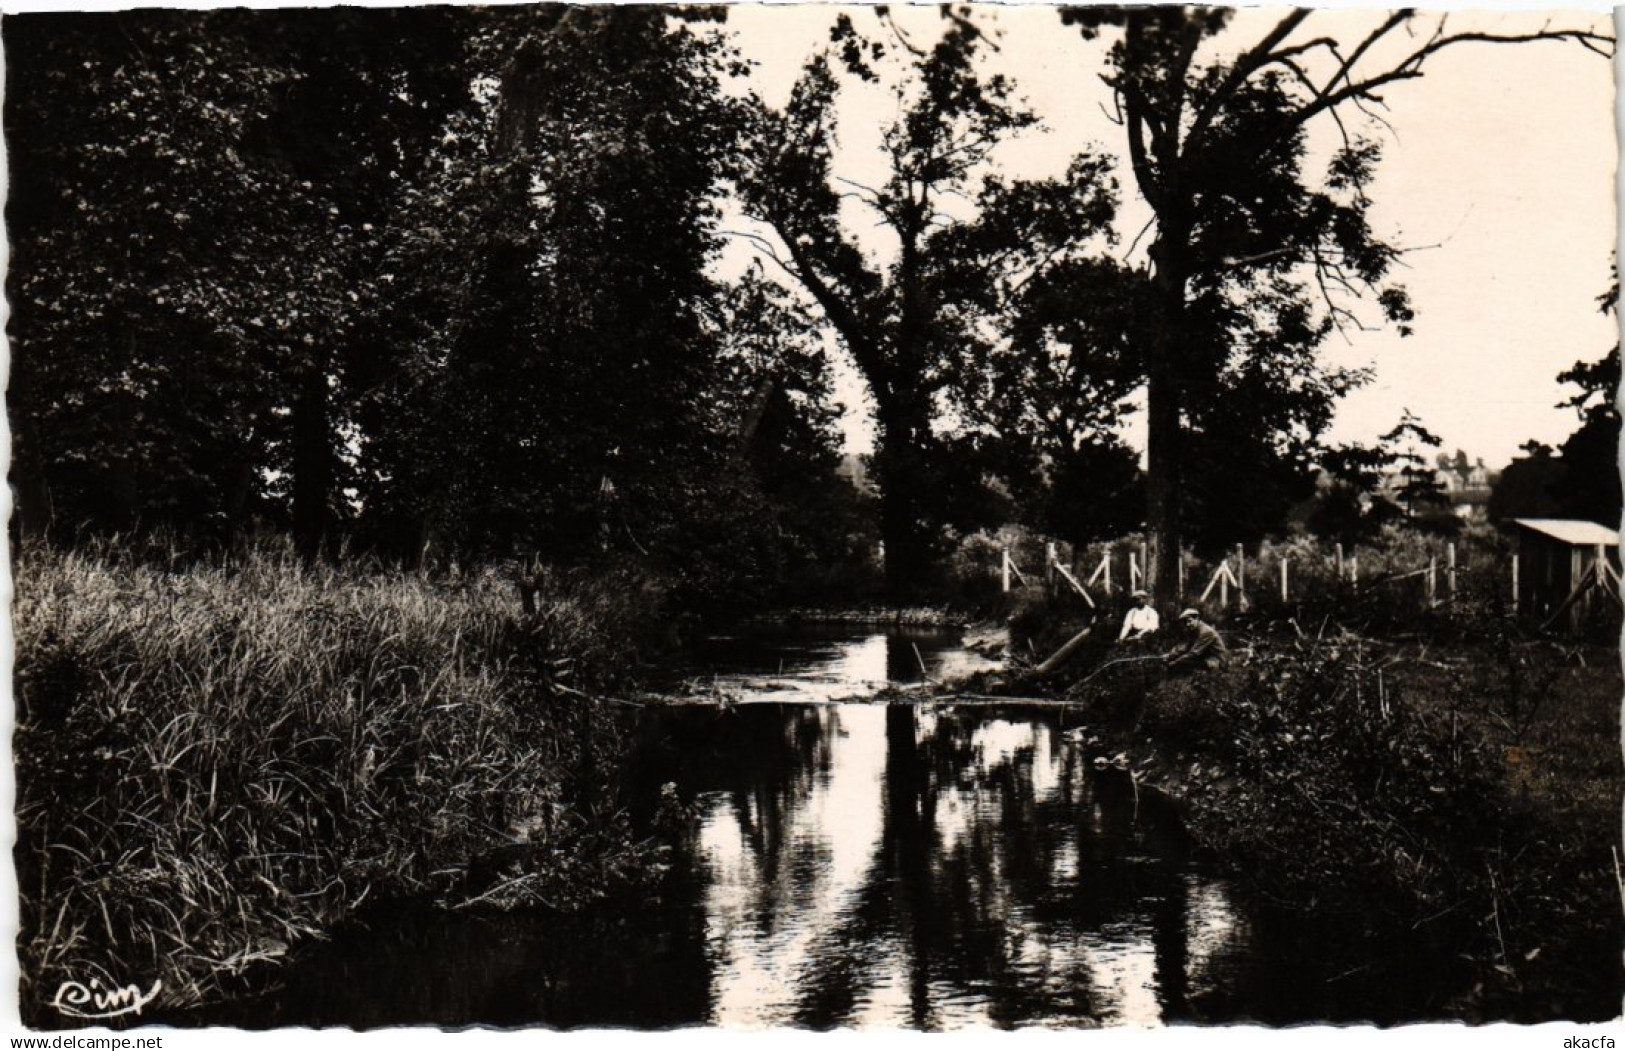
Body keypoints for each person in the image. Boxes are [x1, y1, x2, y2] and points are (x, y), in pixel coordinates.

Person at [1163, 608, 1227, 672]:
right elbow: (1185, 647)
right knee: (1184, 663)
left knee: (1185, 665)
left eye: (1189, 621)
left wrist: (1174, 663)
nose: (1187, 624)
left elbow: (1194, 653)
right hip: (1206, 657)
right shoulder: (1194, 630)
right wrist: (1169, 656)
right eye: (1185, 622)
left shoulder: (1206, 632)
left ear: (1197, 619)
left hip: (1217, 661)